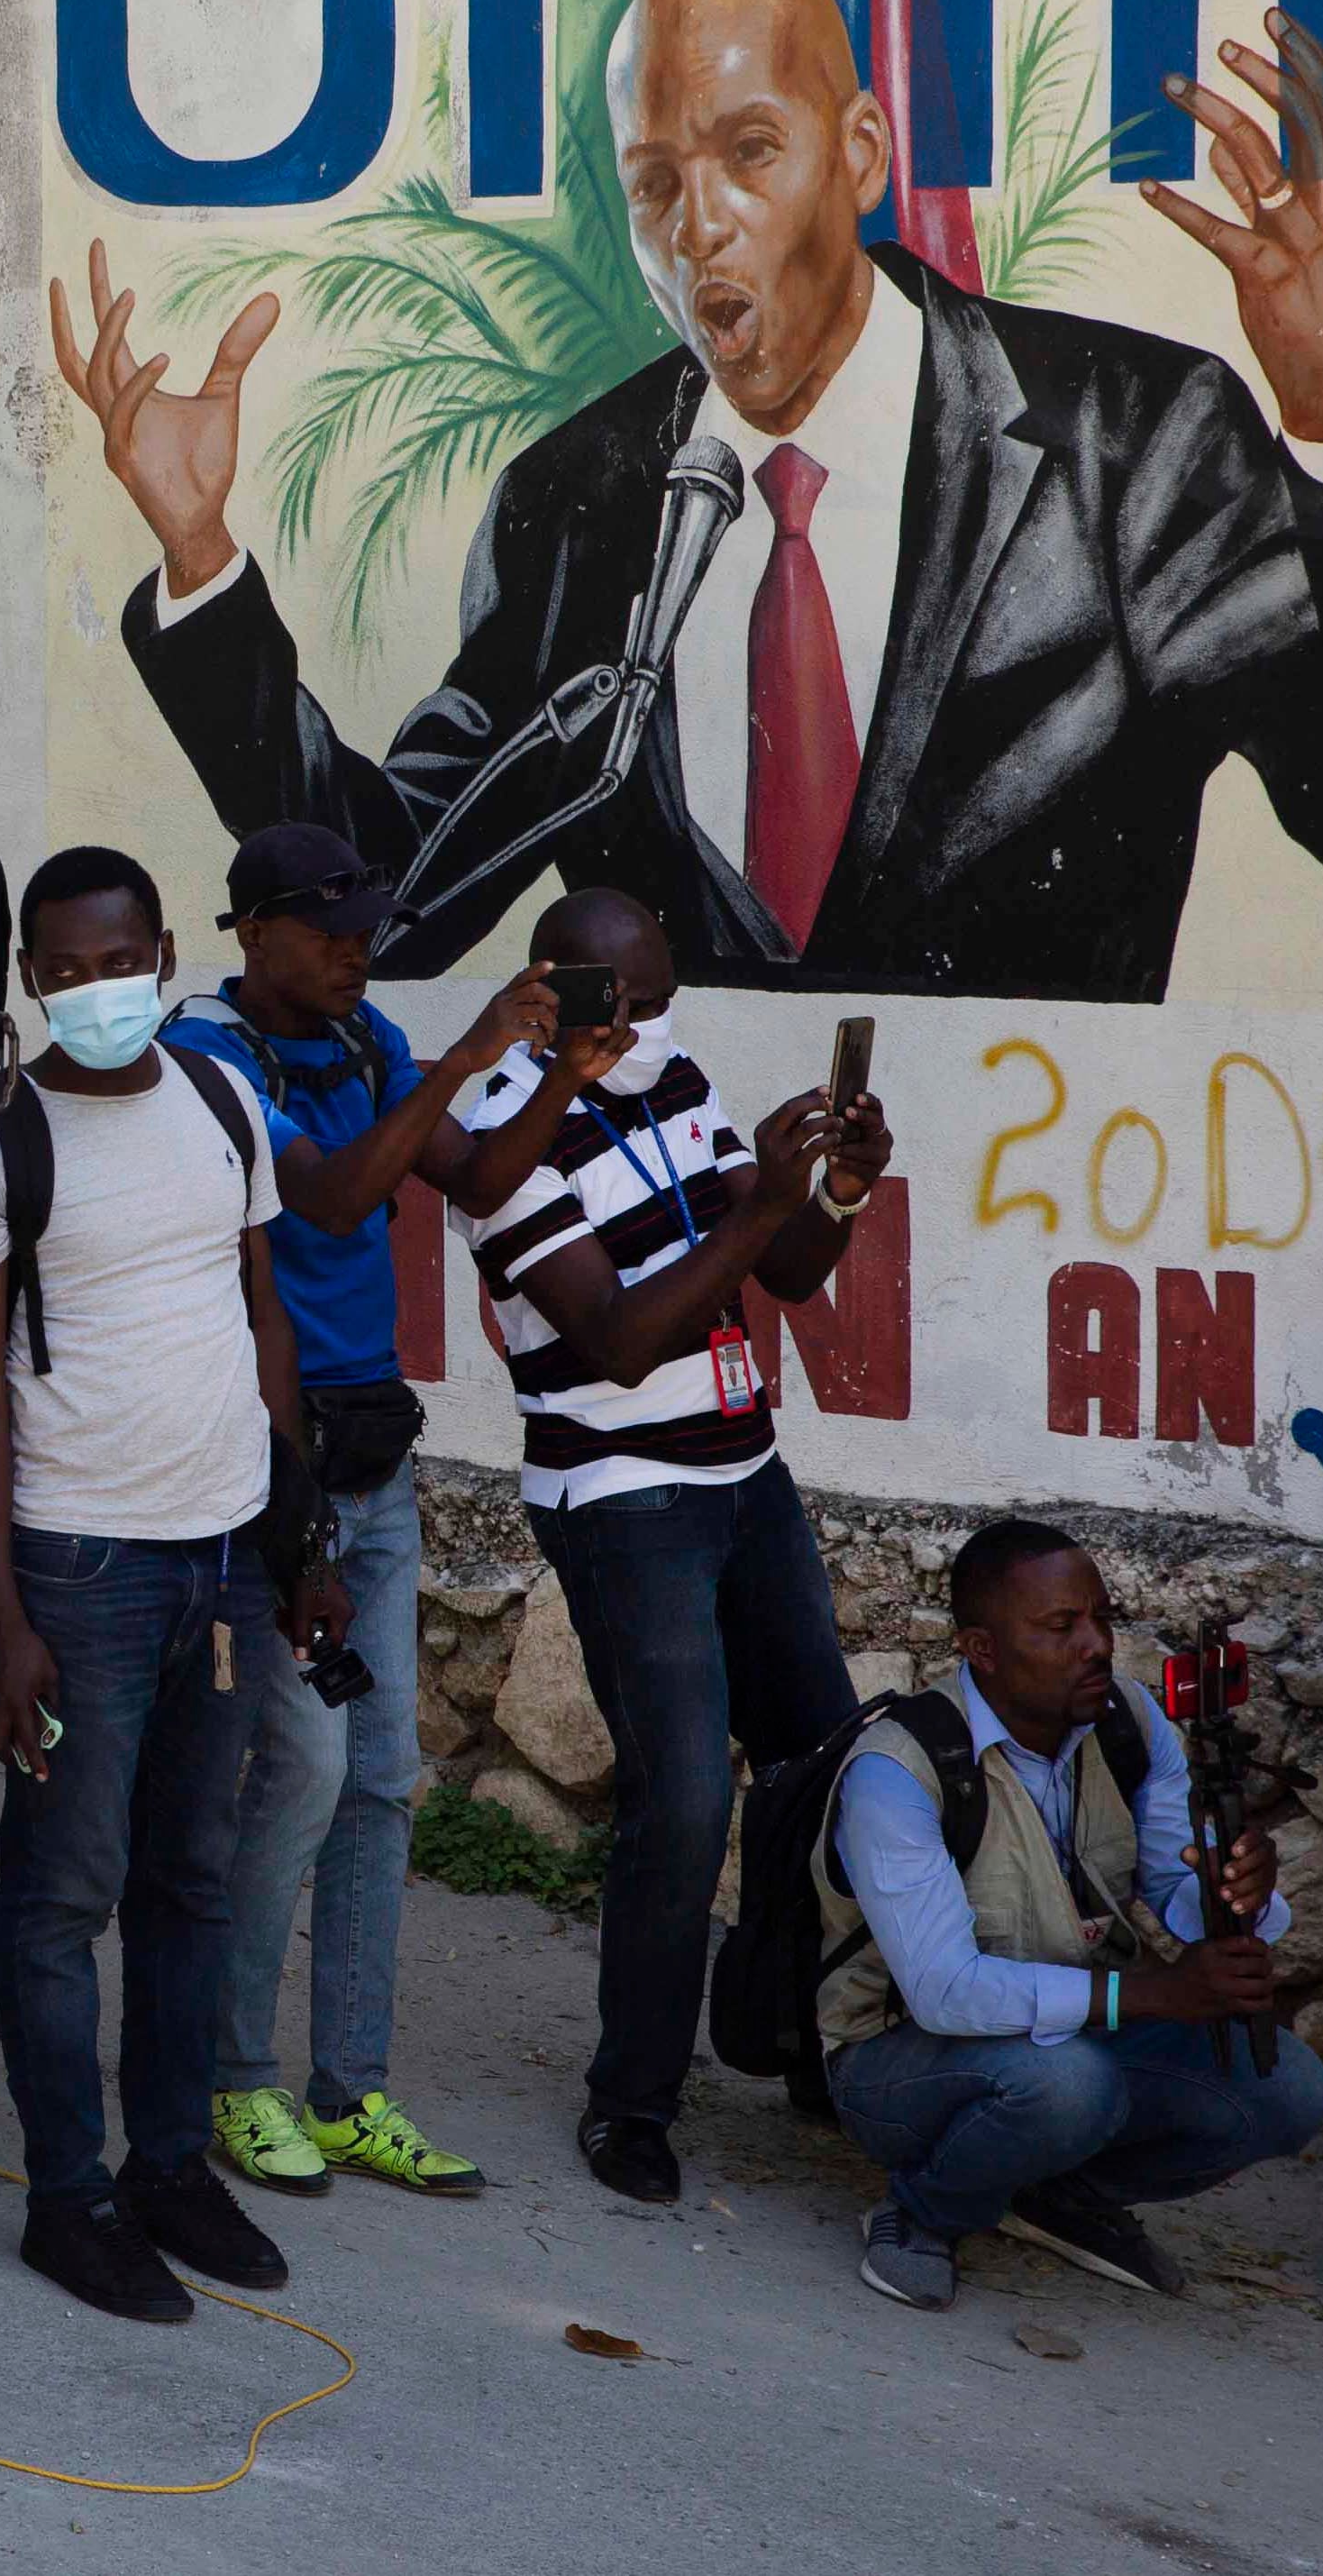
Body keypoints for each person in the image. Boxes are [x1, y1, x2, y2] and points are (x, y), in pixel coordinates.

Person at [68, 0, 1323, 1002]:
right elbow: (390, 904)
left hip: (1024, 1269)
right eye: (651, 185)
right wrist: (202, 567)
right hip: (674, 1299)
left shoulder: (1127, 443)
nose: (694, 225)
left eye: (746, 151)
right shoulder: (574, 502)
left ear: (861, 152)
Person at [452, 885, 887, 2206]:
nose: (639, 1030)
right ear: (553, 990)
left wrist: (838, 1189)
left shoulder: (678, 1077)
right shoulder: (494, 1129)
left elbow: (789, 1275)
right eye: (616, 1008)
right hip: (622, 1499)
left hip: (742, 1472)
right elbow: (616, 1339)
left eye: (655, 1002)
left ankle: (803, 2040)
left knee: (820, 1762)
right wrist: (758, 1210)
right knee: (684, 1796)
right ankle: (629, 2103)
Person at [0, 846, 327, 2325]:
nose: (96, 988)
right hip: (79, 1568)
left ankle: (171, 2166)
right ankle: (69, 2196)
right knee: (60, 1893)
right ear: (33, 977)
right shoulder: (0, 1142)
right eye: (65, 967)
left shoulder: (227, 1103)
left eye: (120, 960)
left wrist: (297, 1540)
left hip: (225, 1561)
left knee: (188, 1881)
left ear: (162, 952)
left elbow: (262, 1315)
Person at [166, 824, 551, 2201]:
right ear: (250, 929)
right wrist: (457, 1054)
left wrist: (563, 1067)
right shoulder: (204, 1053)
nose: (355, 950)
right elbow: (328, 1204)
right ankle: (227, 2079)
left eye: (366, 928)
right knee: (307, 1772)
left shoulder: (366, 1033)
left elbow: (479, 1180)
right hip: (267, 1463)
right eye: (328, 929)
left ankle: (348, 2093)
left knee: (381, 1782)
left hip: (371, 1454)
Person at [819, 1521, 1323, 2312]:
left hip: (1069, 2033)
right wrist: (1149, 1995)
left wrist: (1239, 1900)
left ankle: (1058, 2198)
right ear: (981, 1649)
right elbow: (942, 1992)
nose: (1095, 1645)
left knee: (1284, 2085)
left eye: (1101, 1619)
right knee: (1067, 2085)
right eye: (1061, 1627)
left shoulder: (1125, 1722)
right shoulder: (899, 1772)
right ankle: (921, 2214)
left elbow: (1174, 1888)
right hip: (895, 2060)